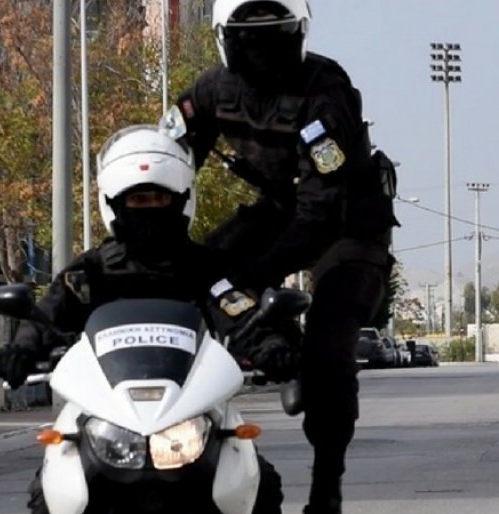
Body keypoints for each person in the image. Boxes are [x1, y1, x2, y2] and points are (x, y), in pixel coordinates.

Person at [167, 1, 399, 513]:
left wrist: (252, 275)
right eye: (249, 41)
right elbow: (167, 159)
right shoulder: (211, 91)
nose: (262, 54)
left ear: (298, 36)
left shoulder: (325, 92)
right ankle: (267, 349)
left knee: (330, 348)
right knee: (192, 272)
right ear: (225, 41)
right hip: (281, 208)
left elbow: (321, 212)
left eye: (274, 39)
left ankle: (326, 489)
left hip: (348, 219)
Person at [0, 124, 289, 514]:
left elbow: (237, 311)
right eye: (138, 199)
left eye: (159, 198)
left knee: (254, 478)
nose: (149, 208)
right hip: (104, 410)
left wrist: (272, 345)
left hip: (193, 408)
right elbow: (49, 314)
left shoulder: (209, 269)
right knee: (53, 483)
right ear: (115, 204)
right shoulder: (91, 271)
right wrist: (22, 349)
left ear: (180, 201)